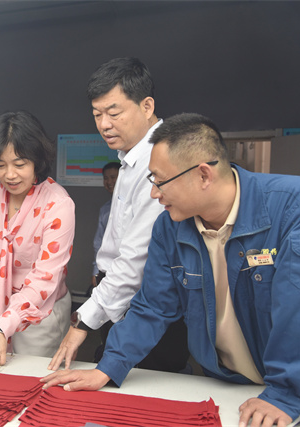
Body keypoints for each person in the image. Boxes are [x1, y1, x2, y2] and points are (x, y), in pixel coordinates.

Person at [42, 113, 300, 427]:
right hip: (229, 384)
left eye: (160, 181)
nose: (154, 193)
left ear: (203, 175)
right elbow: (152, 306)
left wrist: (285, 393)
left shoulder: (294, 205)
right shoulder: (169, 228)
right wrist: (108, 367)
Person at [49, 57, 189, 373]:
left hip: (146, 307)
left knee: (142, 392)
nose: (104, 124)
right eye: (97, 115)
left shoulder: (160, 160)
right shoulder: (130, 157)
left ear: (147, 106)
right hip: (116, 297)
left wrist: (83, 320)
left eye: (114, 113)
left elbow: (136, 260)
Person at [0, 110, 75, 370]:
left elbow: (45, 279)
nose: (9, 175)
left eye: (19, 164)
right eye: (0, 165)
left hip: (40, 312)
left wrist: (0, 328)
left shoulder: (58, 205)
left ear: (37, 160)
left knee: (32, 379)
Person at [90, 162, 121, 288]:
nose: (109, 182)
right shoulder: (105, 210)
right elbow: (98, 242)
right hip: (107, 270)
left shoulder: (131, 206)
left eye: (113, 177)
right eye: (106, 178)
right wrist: (96, 271)